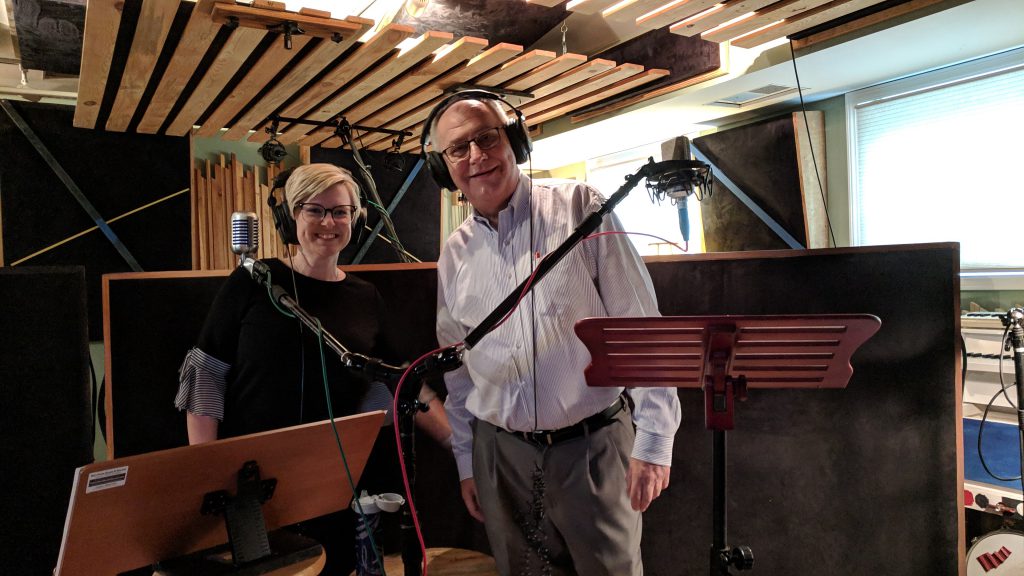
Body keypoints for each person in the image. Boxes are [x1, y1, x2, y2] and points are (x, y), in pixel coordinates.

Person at [427, 90, 682, 576]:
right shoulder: (454, 252)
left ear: (515, 141)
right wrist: (467, 460)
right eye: (458, 149)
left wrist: (655, 442)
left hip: (592, 448)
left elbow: (640, 328)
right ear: (444, 167)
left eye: (487, 138)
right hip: (500, 456)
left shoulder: (579, 207)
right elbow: (457, 373)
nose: (476, 156)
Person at [174, 162, 449, 574]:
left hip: (331, 481)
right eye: (313, 210)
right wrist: (209, 473)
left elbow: (398, 382)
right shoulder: (256, 281)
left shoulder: (365, 298)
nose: (328, 222)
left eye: (340, 211)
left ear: (355, 219)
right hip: (249, 482)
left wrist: (459, 446)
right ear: (291, 217)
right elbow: (206, 373)